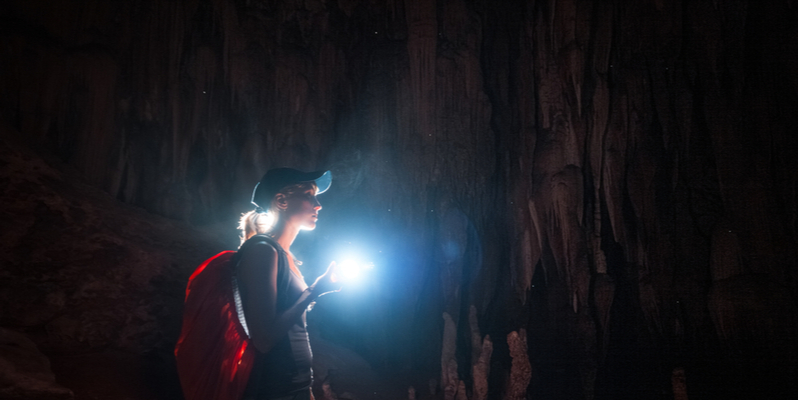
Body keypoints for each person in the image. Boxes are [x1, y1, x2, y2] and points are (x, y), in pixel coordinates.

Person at [234, 168, 340, 400]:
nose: (318, 204)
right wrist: (313, 292)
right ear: (281, 201)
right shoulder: (263, 252)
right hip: (275, 388)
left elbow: (292, 330)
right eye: (309, 195)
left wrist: (307, 390)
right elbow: (263, 340)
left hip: (296, 386)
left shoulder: (286, 256)